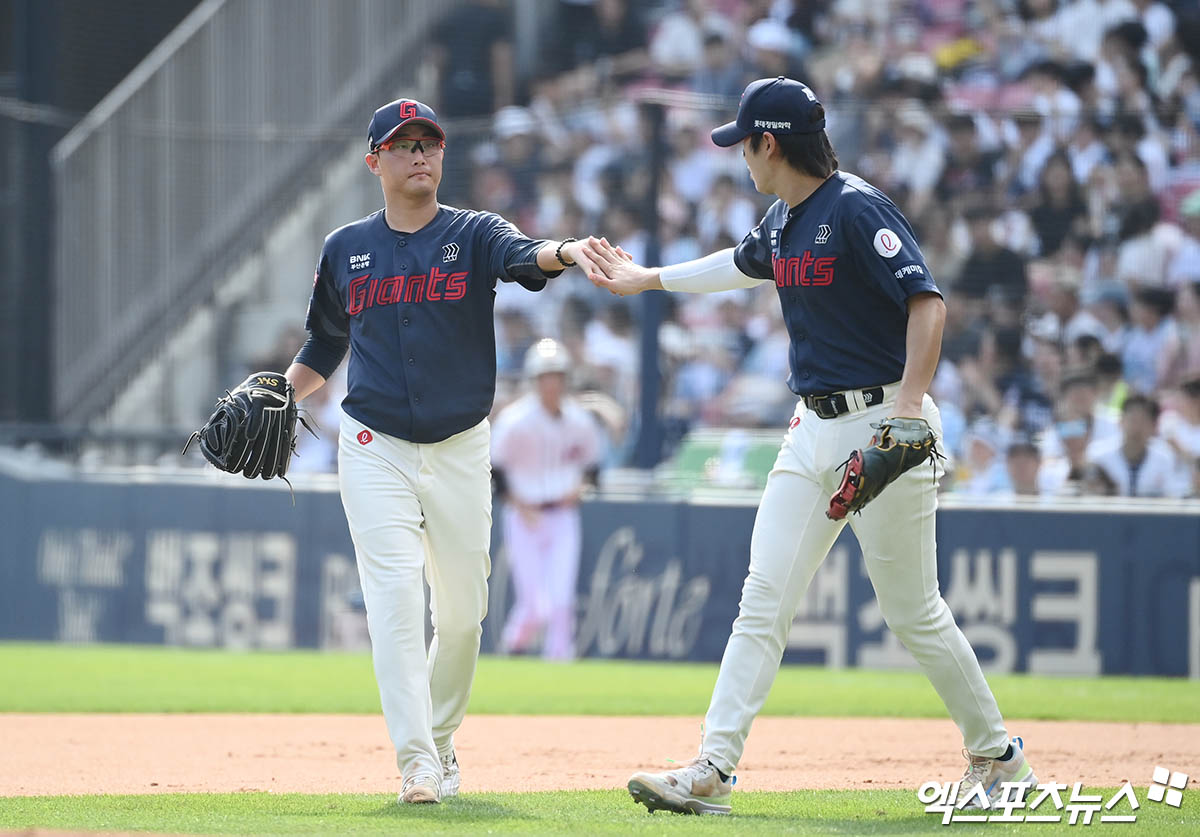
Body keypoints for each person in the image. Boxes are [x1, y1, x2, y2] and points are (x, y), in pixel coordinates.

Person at [582, 76, 1037, 815]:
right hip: (811, 427)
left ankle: (999, 756)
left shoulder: (855, 207)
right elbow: (736, 263)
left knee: (913, 610)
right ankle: (713, 768)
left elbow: (927, 300)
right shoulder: (784, 218)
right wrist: (648, 280)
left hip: (885, 418)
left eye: (744, 144)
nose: (740, 158)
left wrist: (912, 407)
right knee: (762, 597)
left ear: (769, 143)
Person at [284, 98, 609, 805]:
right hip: (373, 445)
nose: (421, 153)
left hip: (462, 445)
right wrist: (285, 393)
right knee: (397, 601)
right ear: (375, 161)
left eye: (430, 141)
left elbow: (528, 257)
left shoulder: (473, 233)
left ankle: (440, 735)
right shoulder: (346, 247)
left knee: (463, 614)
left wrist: (567, 250)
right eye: (404, 144)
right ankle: (417, 762)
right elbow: (326, 342)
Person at [491, 338, 603, 660]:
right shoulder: (515, 420)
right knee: (534, 605)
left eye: (557, 375)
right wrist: (516, 502)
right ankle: (514, 644)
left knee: (561, 600)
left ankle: (559, 661)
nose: (552, 383)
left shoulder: (579, 419)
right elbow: (494, 469)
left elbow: (593, 467)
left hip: (563, 513)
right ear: (534, 380)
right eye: (545, 376)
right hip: (523, 514)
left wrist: (580, 489)